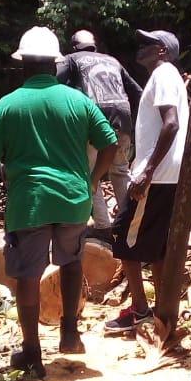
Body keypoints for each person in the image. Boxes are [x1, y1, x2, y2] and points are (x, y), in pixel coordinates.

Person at [0, 25, 117, 378]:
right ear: (54, 65)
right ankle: (70, 332)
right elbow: (111, 143)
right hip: (73, 199)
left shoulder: (7, 105)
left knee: (27, 274)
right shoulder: (78, 101)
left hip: (30, 203)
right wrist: (94, 178)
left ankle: (32, 354)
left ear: (23, 65)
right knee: (70, 262)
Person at [105, 29, 189, 334]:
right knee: (157, 247)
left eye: (148, 44)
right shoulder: (167, 75)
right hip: (167, 174)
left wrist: (147, 171)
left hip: (159, 175)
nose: (140, 47)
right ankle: (163, 314)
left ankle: (141, 310)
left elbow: (172, 123)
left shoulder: (164, 74)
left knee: (121, 236)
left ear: (163, 51)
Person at [57, 29, 142, 241]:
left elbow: (54, 84)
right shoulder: (113, 61)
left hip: (93, 120)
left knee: (88, 173)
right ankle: (127, 224)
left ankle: (103, 227)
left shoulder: (71, 59)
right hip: (123, 118)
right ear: (95, 45)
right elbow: (138, 92)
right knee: (120, 171)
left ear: (74, 46)